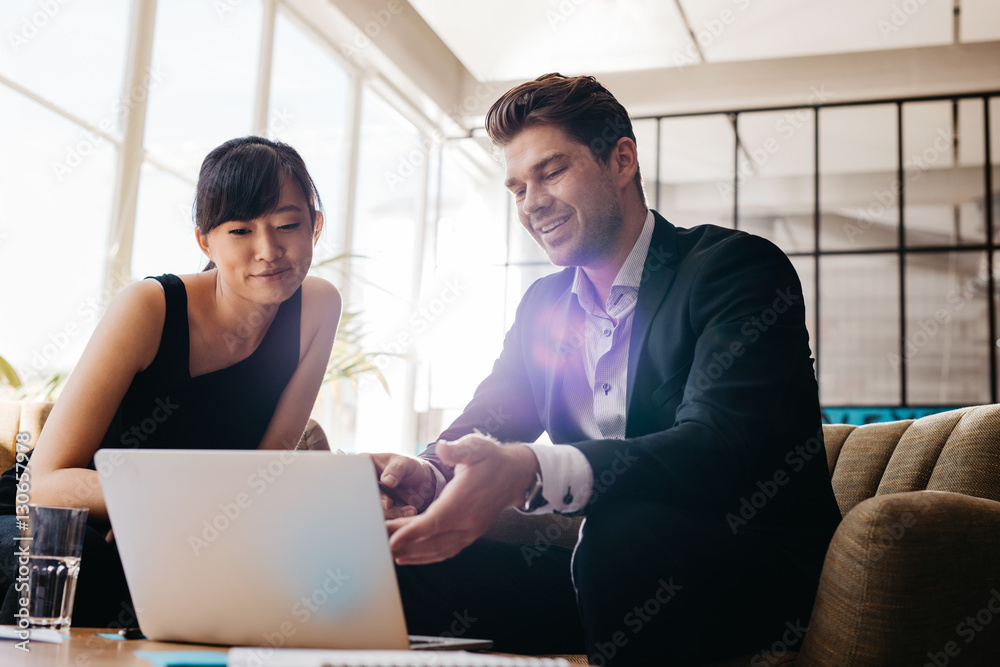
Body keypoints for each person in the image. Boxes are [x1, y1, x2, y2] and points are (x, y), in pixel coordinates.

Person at [369, 74, 842, 665]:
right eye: (517, 188)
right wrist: (431, 470)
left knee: (622, 536)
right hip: (604, 574)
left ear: (621, 160)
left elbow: (715, 449)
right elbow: (493, 415)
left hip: (746, 567)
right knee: (397, 561)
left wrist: (531, 471)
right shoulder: (543, 304)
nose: (532, 203)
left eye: (551, 172)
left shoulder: (736, 271)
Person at [0, 136, 341, 627]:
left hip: (184, 527)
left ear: (315, 225)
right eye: (241, 231)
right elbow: (43, 486)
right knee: (89, 560)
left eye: (289, 225)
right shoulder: (149, 307)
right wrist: (154, 510)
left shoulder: (318, 307)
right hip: (49, 527)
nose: (269, 251)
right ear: (205, 241)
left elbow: (265, 471)